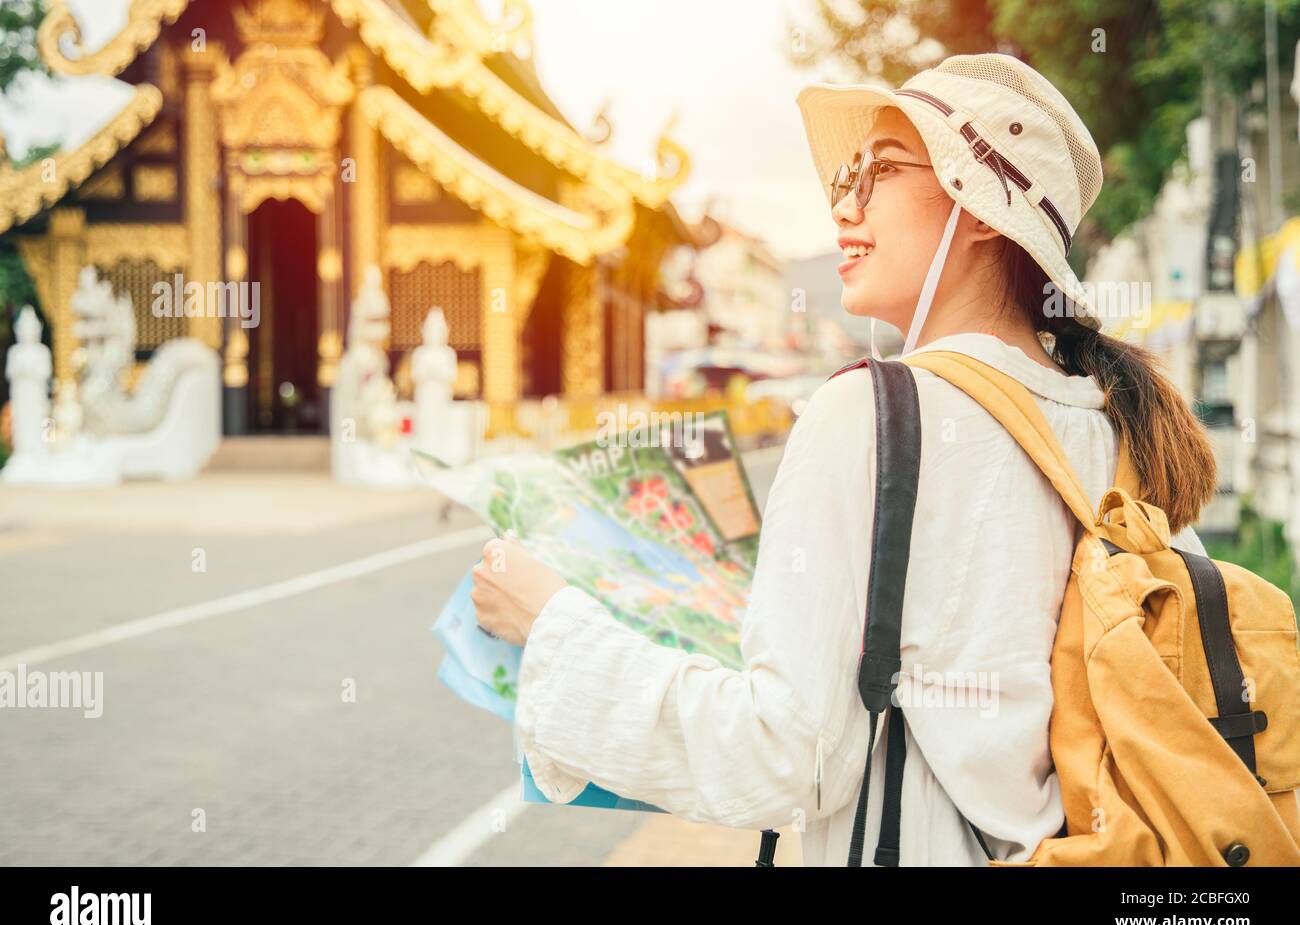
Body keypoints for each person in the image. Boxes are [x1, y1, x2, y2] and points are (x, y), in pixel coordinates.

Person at [469, 53, 1217, 866]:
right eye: (847, 174)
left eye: (884, 171)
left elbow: (788, 757)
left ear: (981, 212)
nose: (844, 204)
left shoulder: (871, 413)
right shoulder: (1114, 427)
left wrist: (552, 627)